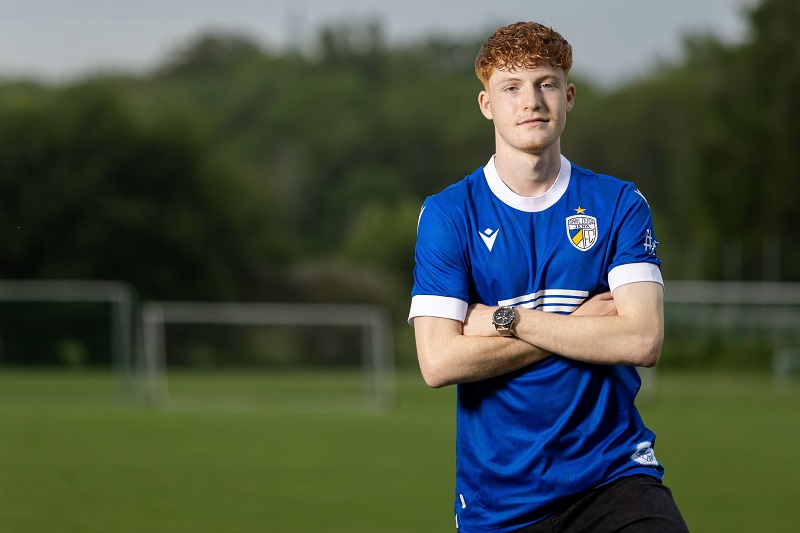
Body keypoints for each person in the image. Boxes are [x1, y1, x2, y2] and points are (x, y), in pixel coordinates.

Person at [408, 21, 689, 532]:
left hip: (614, 476)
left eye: (546, 83)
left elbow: (643, 339)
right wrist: (580, 323)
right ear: (486, 104)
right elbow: (438, 360)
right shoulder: (449, 215)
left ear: (569, 95)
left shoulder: (619, 203)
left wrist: (504, 319)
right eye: (511, 88)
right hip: (499, 499)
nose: (531, 100)